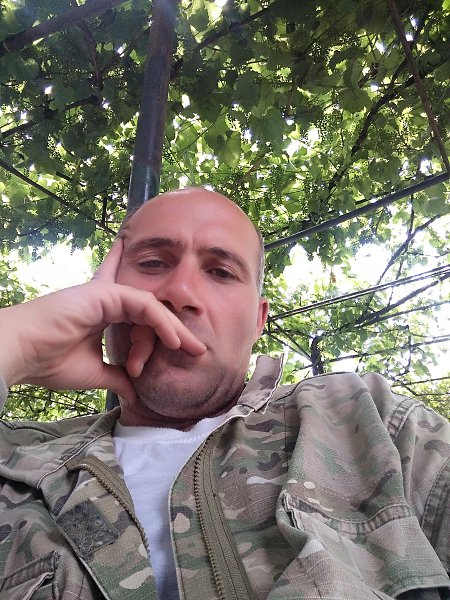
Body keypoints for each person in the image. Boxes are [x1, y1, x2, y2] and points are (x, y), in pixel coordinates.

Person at [0, 187, 448, 600]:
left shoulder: (364, 419)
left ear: (258, 321)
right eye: (152, 262)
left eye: (221, 271)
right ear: (105, 294)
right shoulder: (14, 460)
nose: (179, 293)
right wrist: (15, 346)